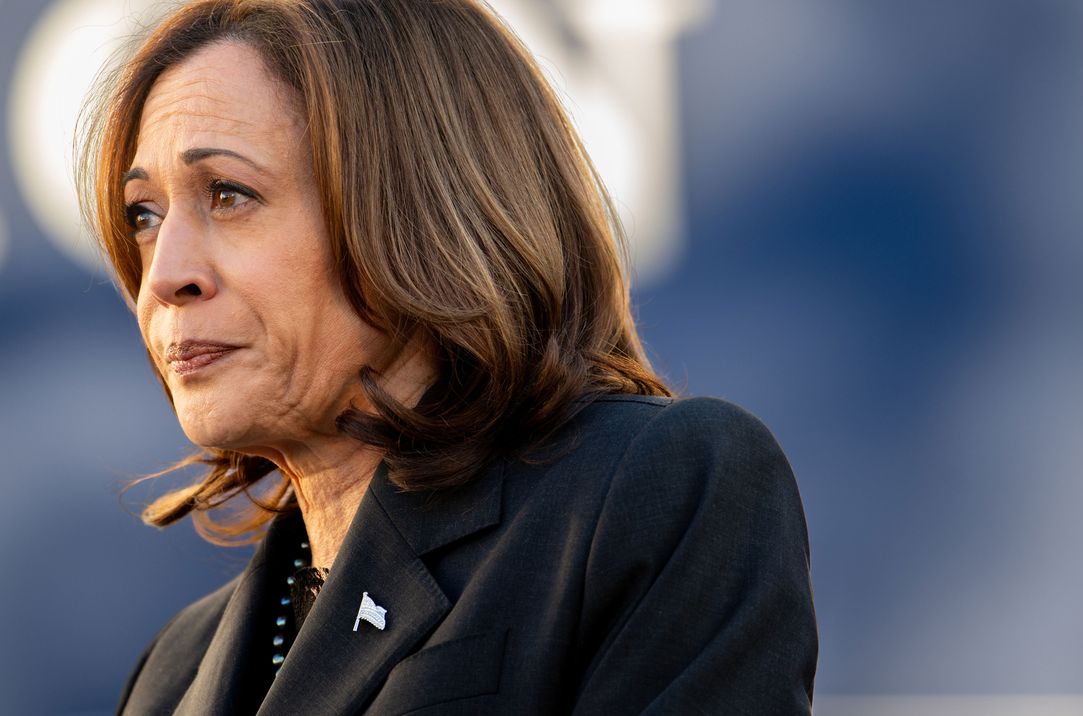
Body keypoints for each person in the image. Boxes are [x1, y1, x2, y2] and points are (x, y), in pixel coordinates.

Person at [77, 0, 818, 713]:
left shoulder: (652, 493)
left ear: (420, 208)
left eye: (230, 194)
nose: (165, 275)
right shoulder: (174, 670)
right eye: (144, 214)